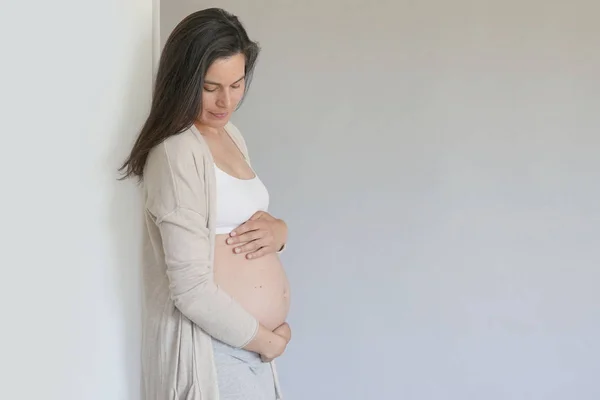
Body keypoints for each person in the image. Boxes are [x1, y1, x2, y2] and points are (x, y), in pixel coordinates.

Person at [119, 8, 292, 400]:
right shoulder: (176, 152)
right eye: (211, 86)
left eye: (236, 84)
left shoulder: (230, 134)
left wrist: (280, 234)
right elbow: (191, 288)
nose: (225, 101)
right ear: (184, 81)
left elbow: (243, 227)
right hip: (214, 352)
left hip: (249, 349)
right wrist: (264, 340)